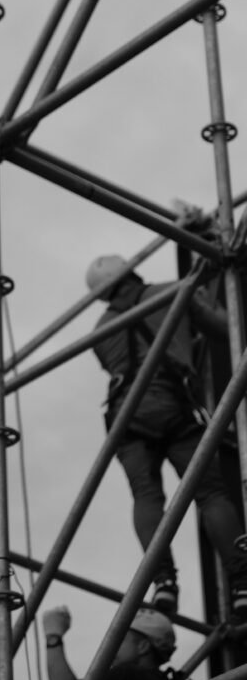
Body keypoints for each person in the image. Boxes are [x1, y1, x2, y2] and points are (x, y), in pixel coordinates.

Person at [86, 253, 247, 617]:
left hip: (126, 417)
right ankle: (242, 584)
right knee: (209, 494)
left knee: (145, 496)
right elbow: (226, 328)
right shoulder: (175, 292)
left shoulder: (99, 328)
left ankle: (163, 584)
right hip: (171, 405)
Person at [42, 604, 184, 680]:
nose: (112, 647)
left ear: (143, 646)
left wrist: (53, 636)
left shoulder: (129, 675)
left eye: (120, 640)